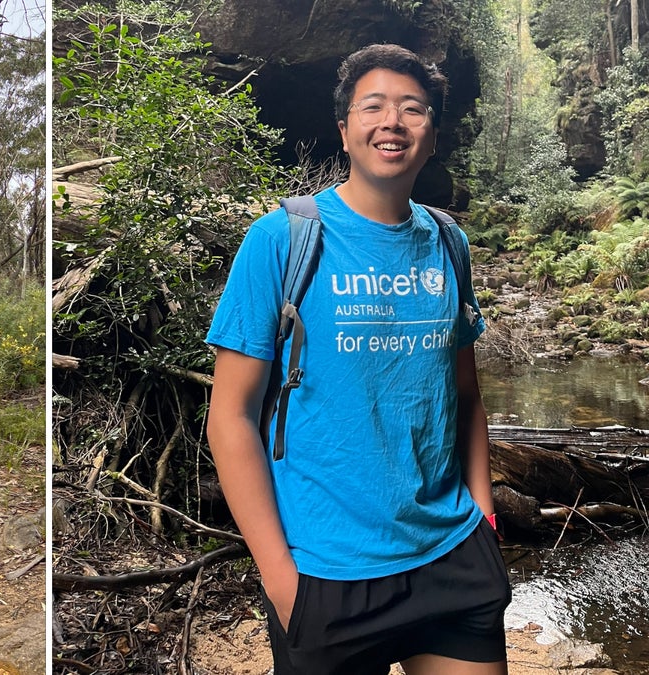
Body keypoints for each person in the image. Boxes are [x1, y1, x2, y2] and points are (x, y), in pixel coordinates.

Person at [205, 44, 510, 673]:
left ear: (431, 136)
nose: (391, 121)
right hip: (326, 572)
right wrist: (282, 582)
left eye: (412, 109)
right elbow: (230, 417)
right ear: (345, 131)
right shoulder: (280, 240)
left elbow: (466, 395)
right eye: (372, 107)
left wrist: (483, 513)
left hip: (452, 555)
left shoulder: (449, 243)